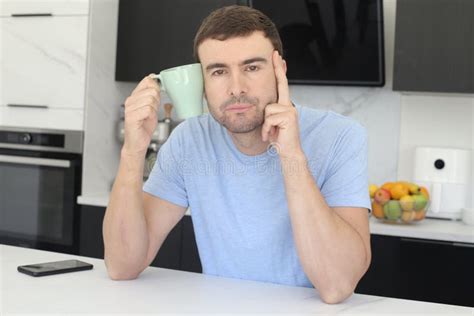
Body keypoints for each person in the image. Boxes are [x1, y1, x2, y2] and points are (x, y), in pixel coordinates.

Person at [103, 5, 371, 304]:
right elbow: (122, 265)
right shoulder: (190, 140)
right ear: (203, 81)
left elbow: (336, 286)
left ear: (279, 69)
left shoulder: (340, 136)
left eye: (252, 67)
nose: (236, 88)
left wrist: (291, 155)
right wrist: (132, 151)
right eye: (218, 71)